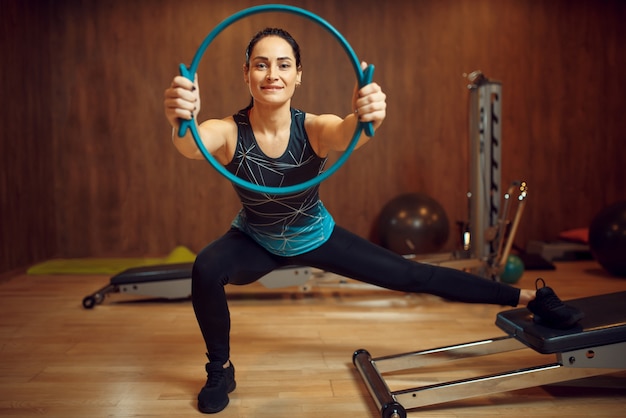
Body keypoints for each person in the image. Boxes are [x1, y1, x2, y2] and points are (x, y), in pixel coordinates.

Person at [163, 27, 583, 414]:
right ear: (247, 73)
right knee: (207, 266)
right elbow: (192, 146)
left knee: (412, 275)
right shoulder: (228, 130)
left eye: (283, 64)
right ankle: (220, 367)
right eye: (261, 63)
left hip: (315, 234)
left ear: (298, 76)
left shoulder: (312, 128)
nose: (272, 73)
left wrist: (369, 117)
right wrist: (181, 120)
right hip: (256, 239)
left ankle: (530, 297)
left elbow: (348, 133)